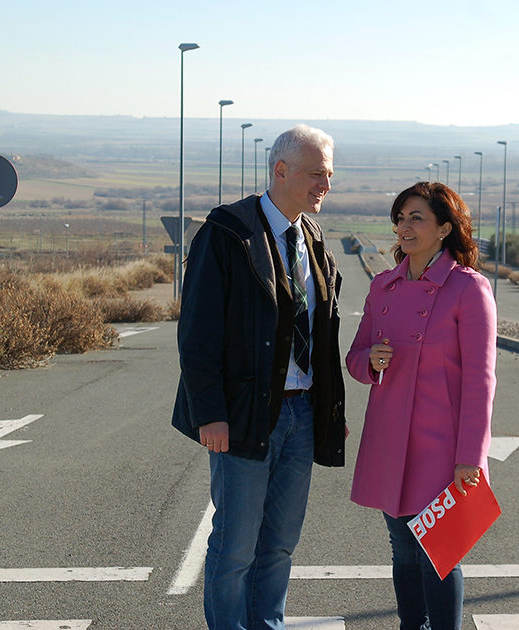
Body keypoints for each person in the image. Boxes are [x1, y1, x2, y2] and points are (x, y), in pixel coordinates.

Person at [172, 124, 346, 630]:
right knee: (236, 546)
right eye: (316, 174)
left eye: (329, 175)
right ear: (280, 171)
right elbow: (198, 333)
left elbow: (323, 335)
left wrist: (329, 411)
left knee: (280, 545)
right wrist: (210, 413)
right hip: (244, 415)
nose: (325, 185)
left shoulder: (312, 239)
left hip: (302, 413)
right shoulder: (227, 233)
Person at [345, 181, 497, 630]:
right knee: (402, 550)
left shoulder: (468, 289)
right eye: (400, 218)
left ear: (444, 228)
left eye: (417, 218)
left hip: (442, 445)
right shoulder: (383, 286)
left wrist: (471, 456)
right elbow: (354, 358)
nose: (404, 227)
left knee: (438, 551)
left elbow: (481, 380)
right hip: (390, 438)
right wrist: (370, 361)